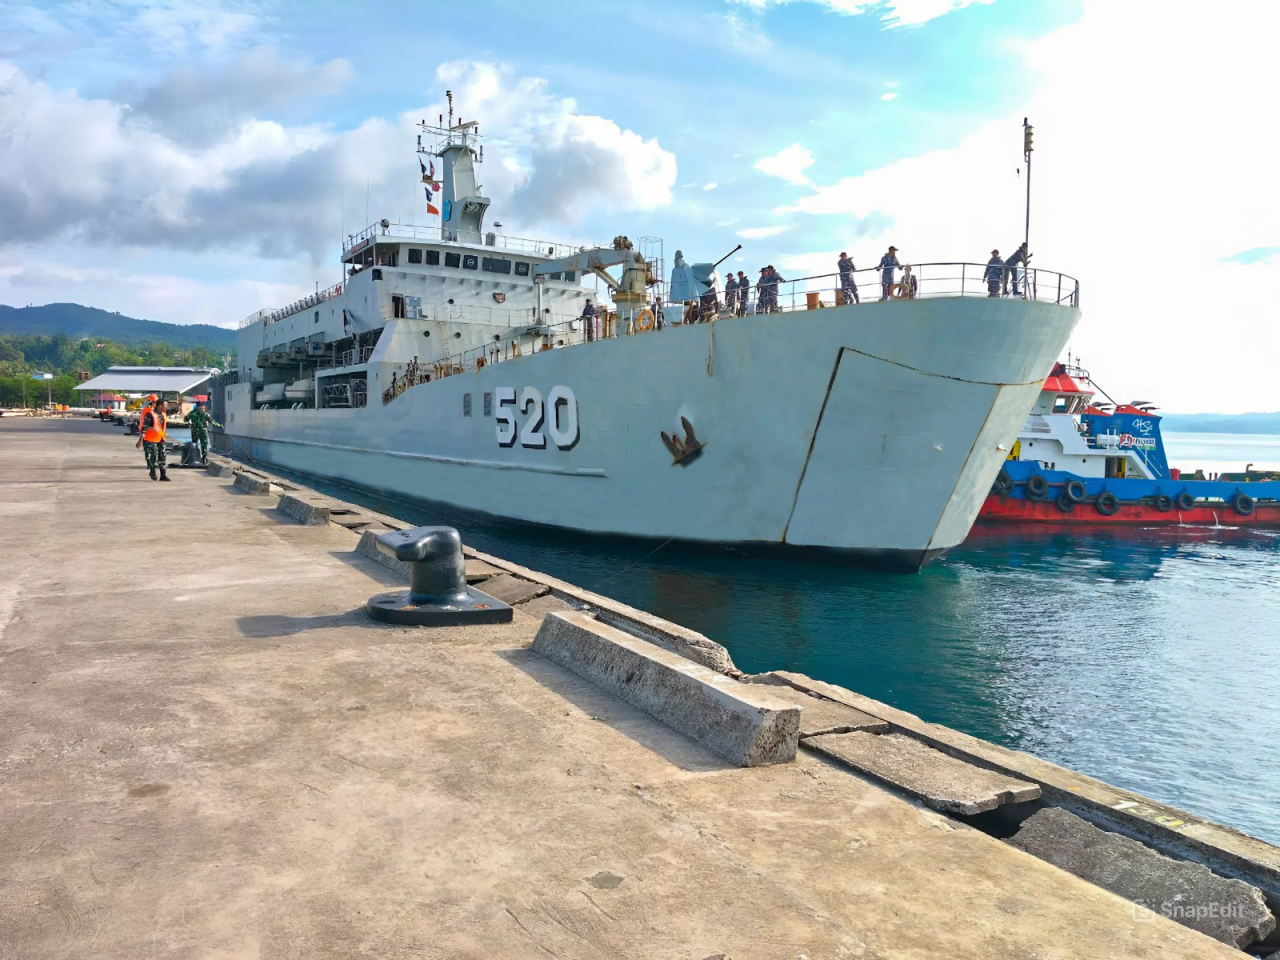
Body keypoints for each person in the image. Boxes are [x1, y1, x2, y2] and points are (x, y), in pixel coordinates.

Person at [136, 398, 169, 481]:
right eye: (165, 406)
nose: (166, 408)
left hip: (161, 439)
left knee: (162, 457)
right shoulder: (150, 415)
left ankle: (163, 475)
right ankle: (153, 472)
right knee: (152, 457)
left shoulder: (163, 414)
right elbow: (144, 428)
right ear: (160, 406)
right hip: (151, 440)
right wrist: (140, 440)